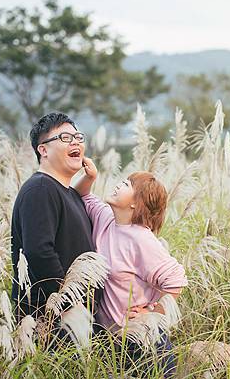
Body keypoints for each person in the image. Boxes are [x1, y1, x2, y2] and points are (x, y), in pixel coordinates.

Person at [73, 157, 187, 378]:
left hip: (145, 346)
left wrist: (153, 312)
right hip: (112, 343)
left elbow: (177, 280)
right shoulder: (105, 218)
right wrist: (90, 177)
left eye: (127, 185)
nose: (119, 184)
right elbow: (81, 195)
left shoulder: (141, 239)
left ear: (137, 203)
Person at [10, 112, 97, 321]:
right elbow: (39, 252)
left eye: (78, 137)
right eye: (65, 138)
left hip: (74, 320)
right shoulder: (40, 189)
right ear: (43, 150)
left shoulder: (67, 192)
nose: (75, 142)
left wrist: (89, 178)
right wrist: (68, 303)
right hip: (52, 320)